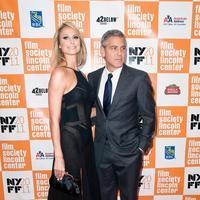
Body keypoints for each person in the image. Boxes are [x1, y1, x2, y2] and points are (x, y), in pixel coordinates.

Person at [88, 29, 156, 200]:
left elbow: (149, 116)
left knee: (129, 197)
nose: (120, 53)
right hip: (101, 152)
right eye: (113, 48)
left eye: (123, 48)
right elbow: (98, 111)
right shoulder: (93, 77)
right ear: (102, 51)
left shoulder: (138, 78)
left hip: (129, 153)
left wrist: (141, 146)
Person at [48, 22, 101, 200]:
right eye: (66, 38)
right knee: (70, 192)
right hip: (69, 142)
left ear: (80, 42)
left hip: (86, 141)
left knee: (86, 191)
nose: (71, 42)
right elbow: (54, 118)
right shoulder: (59, 73)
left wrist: (115, 111)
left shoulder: (83, 75)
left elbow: (85, 113)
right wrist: (59, 156)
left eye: (75, 37)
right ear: (59, 45)